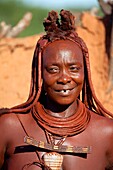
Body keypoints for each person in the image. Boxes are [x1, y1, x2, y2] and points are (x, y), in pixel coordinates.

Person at [0, 9, 113, 170]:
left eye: (73, 68)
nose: (64, 78)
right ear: (39, 73)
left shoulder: (107, 133)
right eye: (53, 69)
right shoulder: (9, 126)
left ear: (85, 72)